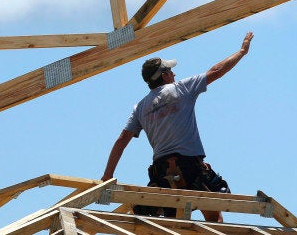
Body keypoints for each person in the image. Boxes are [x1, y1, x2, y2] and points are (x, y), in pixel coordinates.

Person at [101, 32, 254, 223]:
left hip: (162, 172)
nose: (174, 73)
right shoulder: (181, 88)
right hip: (189, 166)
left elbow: (122, 140)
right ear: (164, 76)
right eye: (171, 71)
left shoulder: (140, 107)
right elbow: (216, 71)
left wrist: (107, 176)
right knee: (215, 219)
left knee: (173, 226)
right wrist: (241, 52)